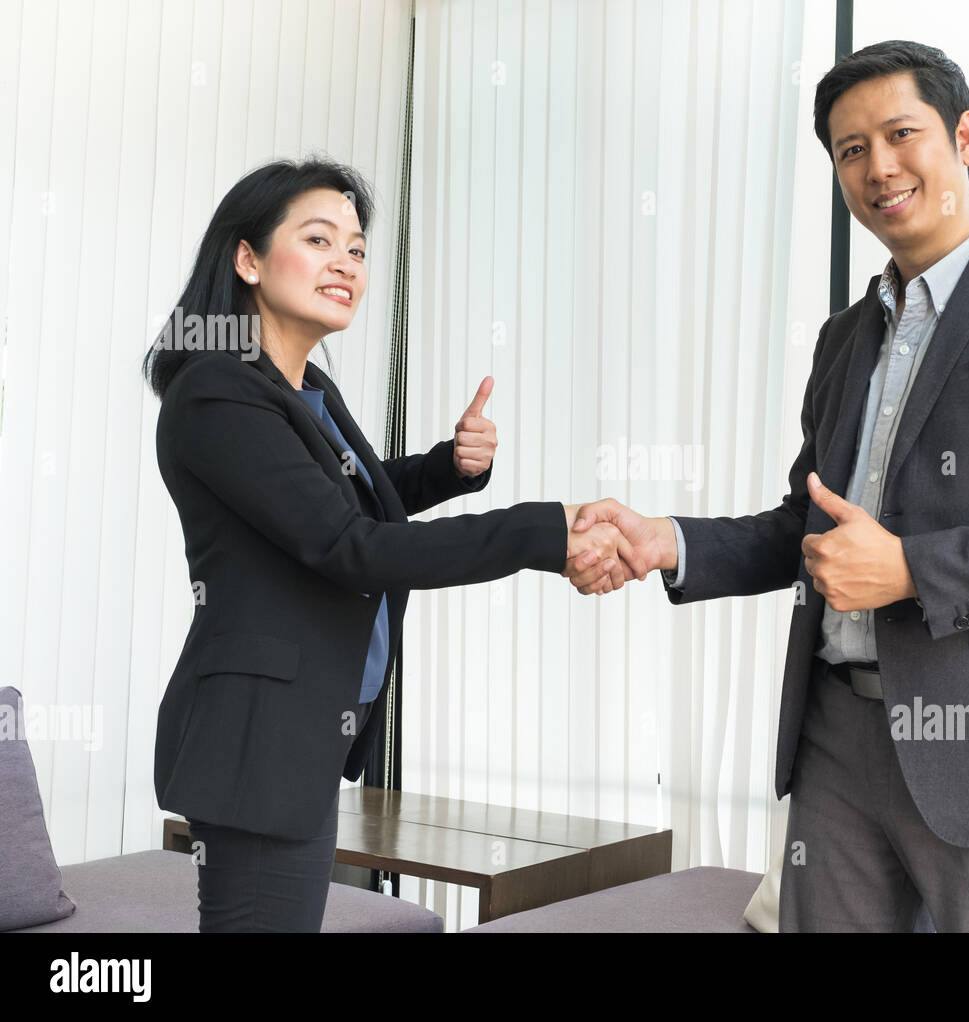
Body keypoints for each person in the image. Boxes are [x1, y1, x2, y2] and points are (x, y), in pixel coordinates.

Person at [564, 40, 969, 932]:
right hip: (837, 746)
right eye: (852, 150)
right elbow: (805, 529)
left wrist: (914, 570)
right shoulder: (844, 338)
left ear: (963, 135)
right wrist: (671, 541)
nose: (878, 166)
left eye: (901, 133)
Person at [143, 156, 643, 932]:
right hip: (257, 742)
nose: (345, 263)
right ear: (247, 258)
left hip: (296, 737)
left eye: (357, 248)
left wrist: (449, 467)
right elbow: (353, 545)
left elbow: (343, 501)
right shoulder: (218, 392)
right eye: (319, 239)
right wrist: (545, 529)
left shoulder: (305, 389)